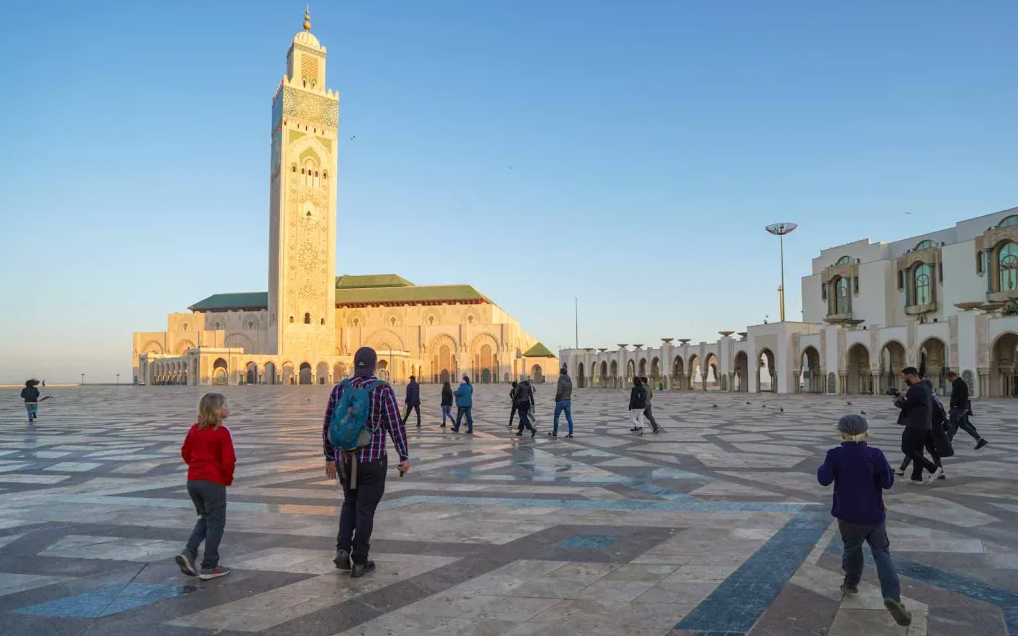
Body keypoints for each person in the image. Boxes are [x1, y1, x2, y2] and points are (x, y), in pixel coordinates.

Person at [817, 415, 912, 628]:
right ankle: (892, 595)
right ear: (867, 433)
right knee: (881, 552)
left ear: (840, 434)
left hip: (847, 515)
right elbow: (887, 482)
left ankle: (850, 584)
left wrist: (825, 467)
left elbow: (823, 479)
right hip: (874, 515)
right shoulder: (875, 454)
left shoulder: (835, 455)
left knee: (852, 549)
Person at [323, 347, 410, 578]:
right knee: (365, 510)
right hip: (372, 461)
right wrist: (404, 456)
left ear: (354, 364)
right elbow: (395, 425)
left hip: (345, 460)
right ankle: (360, 560)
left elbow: (328, 424)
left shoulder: (341, 388)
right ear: (374, 365)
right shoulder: (382, 389)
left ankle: (342, 550)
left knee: (349, 503)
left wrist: (330, 456)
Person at [176, 393, 236, 580]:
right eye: (226, 405)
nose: (228, 408)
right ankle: (209, 566)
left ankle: (189, 552)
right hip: (213, 482)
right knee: (216, 523)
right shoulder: (222, 432)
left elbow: (185, 452)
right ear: (217, 410)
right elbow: (229, 461)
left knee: (205, 517)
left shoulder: (195, 429)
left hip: (193, 481)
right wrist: (225, 479)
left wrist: (196, 468)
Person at [894, 367, 943, 484]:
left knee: (906, 448)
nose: (904, 380)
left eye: (904, 378)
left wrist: (896, 398)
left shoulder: (915, 389)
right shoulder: (925, 387)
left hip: (915, 423)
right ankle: (916, 477)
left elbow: (905, 404)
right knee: (918, 450)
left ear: (910, 376)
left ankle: (933, 468)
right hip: (924, 424)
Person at [947, 371, 986, 449]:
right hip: (960, 408)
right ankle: (980, 440)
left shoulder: (960, 384)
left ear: (952, 377)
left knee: (951, 426)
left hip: (958, 409)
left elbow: (962, 397)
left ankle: (947, 444)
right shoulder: (958, 383)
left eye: (949, 379)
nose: (949, 381)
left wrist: (955, 405)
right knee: (964, 425)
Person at [550, 367, 574, 438]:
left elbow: (559, 392)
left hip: (561, 401)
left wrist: (556, 399)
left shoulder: (560, 380)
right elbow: (570, 390)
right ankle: (571, 432)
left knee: (556, 417)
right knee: (569, 417)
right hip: (568, 400)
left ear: (561, 373)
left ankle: (555, 432)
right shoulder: (569, 380)